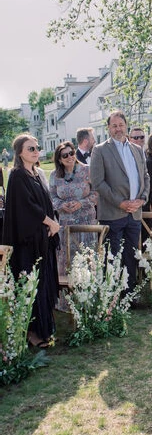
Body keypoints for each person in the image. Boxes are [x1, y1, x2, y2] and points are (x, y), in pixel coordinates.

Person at [2, 134, 60, 348]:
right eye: (30, 149)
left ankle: (44, 329)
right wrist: (49, 222)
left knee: (43, 283)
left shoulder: (36, 174)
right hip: (27, 243)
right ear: (19, 153)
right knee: (31, 285)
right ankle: (32, 332)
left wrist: (53, 223)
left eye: (37, 147)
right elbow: (27, 207)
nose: (36, 152)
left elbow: (46, 203)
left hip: (42, 239)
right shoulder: (17, 176)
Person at [89, 110, 150, 293]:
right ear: (108, 128)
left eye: (121, 125)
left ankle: (129, 295)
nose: (118, 129)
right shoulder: (100, 150)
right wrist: (121, 203)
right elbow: (98, 182)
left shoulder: (137, 150)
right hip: (113, 213)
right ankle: (113, 296)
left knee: (131, 255)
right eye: (114, 125)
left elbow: (145, 177)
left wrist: (141, 199)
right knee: (113, 257)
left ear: (126, 126)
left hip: (135, 213)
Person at [49, 141, 98, 308]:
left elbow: (96, 193)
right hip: (65, 225)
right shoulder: (55, 175)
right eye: (65, 155)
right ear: (59, 159)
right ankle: (66, 303)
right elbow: (51, 197)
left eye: (72, 153)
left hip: (86, 223)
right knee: (66, 260)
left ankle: (87, 301)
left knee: (86, 258)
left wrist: (81, 203)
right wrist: (60, 206)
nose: (70, 157)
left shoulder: (87, 170)